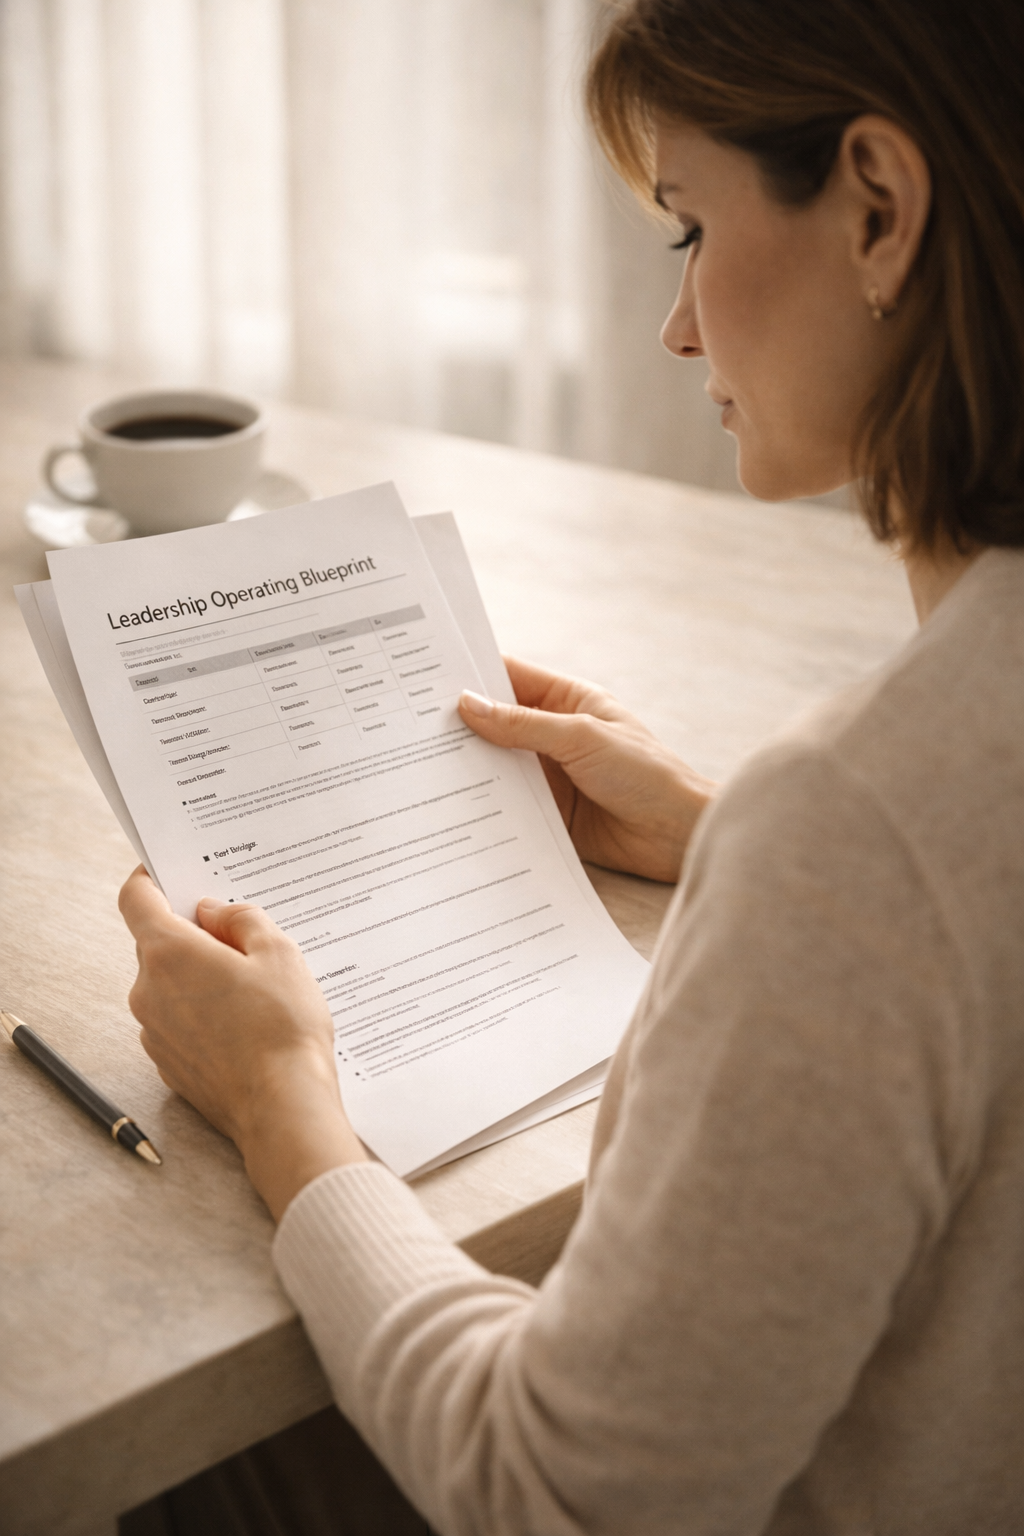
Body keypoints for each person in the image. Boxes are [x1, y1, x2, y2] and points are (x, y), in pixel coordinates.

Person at [118, 1, 1024, 1531]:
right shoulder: (897, 806)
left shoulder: (864, 822)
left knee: (166, 1466)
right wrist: (728, 830)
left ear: (879, 207)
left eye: (686, 231)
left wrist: (280, 1096)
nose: (676, 329)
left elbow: (561, 1494)